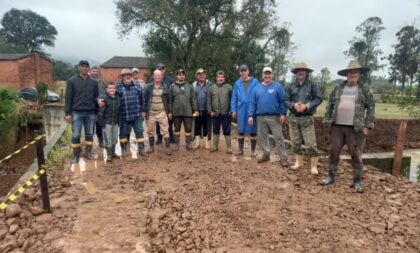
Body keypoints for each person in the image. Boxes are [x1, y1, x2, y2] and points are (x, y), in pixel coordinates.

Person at [321, 60, 375, 193]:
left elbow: (371, 107)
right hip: (337, 126)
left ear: (359, 74)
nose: (352, 74)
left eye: (355, 72)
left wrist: (367, 125)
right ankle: (331, 176)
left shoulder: (365, 89)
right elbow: (330, 105)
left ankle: (357, 181)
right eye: (350, 72)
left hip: (356, 129)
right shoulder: (338, 88)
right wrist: (327, 120)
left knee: (356, 155)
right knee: (334, 152)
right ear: (346, 74)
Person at [285, 62, 323, 174]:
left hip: (307, 118)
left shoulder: (312, 84)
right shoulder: (291, 85)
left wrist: (307, 106)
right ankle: (298, 162)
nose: (300, 72)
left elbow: (318, 98)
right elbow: (285, 100)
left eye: (302, 70)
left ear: (306, 72)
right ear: (296, 73)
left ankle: (314, 167)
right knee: (295, 142)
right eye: (298, 70)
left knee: (311, 144)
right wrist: (293, 105)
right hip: (293, 118)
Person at [102, 68, 148, 157]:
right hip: (124, 115)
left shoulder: (137, 86)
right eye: (125, 75)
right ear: (122, 77)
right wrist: (99, 99)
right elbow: (106, 94)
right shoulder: (117, 87)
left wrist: (143, 111)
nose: (128, 76)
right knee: (123, 133)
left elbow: (143, 100)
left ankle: (141, 150)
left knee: (139, 132)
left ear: (131, 76)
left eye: (129, 75)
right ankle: (124, 150)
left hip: (136, 114)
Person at [248, 67, 289, 166]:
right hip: (260, 117)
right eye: (265, 74)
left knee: (278, 137)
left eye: (269, 73)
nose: (267, 76)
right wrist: (250, 115)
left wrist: (283, 113)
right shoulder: (256, 88)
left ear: (272, 75)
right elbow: (252, 103)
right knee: (262, 138)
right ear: (262, 75)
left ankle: (283, 158)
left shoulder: (278, 87)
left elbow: (283, 101)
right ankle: (266, 155)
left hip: (274, 117)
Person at [65, 60, 99, 163]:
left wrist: (96, 113)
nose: (84, 68)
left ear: (88, 68)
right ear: (79, 67)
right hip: (77, 113)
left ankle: (88, 153)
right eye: (82, 66)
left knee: (89, 134)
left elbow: (96, 97)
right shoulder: (72, 81)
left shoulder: (93, 82)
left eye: (86, 66)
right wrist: (67, 113)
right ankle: (76, 155)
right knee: (76, 135)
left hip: (90, 112)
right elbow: (68, 97)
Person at [231, 64, 260, 156]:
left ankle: (253, 151)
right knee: (241, 129)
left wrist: (259, 109)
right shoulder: (237, 83)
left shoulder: (255, 82)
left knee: (253, 130)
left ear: (248, 71)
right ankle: (240, 149)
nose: (243, 72)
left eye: (245, 71)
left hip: (252, 110)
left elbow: (259, 95)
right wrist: (233, 110)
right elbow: (234, 97)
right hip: (241, 110)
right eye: (241, 71)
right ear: (240, 72)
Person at [168, 69, 199, 151]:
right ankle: (177, 144)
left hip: (187, 111)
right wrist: (170, 111)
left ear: (184, 76)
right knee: (177, 128)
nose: (181, 76)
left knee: (188, 128)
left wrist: (195, 110)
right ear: (177, 76)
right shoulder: (172, 86)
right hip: (176, 112)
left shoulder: (189, 86)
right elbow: (170, 100)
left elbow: (193, 99)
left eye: (183, 74)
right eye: (179, 74)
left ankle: (188, 144)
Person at [144, 69, 172, 155]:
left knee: (165, 130)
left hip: (162, 112)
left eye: (159, 75)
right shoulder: (148, 87)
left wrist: (169, 111)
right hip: (151, 112)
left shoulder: (165, 86)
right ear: (153, 76)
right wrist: (144, 111)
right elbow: (145, 100)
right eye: (156, 75)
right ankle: (151, 146)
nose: (157, 77)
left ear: (161, 77)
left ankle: (167, 147)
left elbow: (169, 100)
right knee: (151, 131)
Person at [149, 63, 175, 145]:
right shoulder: (150, 80)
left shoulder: (169, 79)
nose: (161, 70)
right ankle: (159, 138)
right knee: (157, 123)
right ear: (156, 70)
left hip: (167, 104)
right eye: (160, 69)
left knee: (169, 122)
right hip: (156, 106)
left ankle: (171, 137)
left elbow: (172, 91)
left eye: (163, 68)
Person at [207, 70, 233, 153]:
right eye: (219, 77)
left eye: (222, 77)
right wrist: (210, 111)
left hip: (226, 112)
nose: (220, 78)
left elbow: (233, 99)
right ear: (216, 78)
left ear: (224, 78)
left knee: (227, 130)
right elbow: (208, 101)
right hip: (215, 113)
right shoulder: (211, 88)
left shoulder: (229, 87)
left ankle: (229, 147)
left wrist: (231, 110)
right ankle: (215, 146)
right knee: (215, 129)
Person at [97, 82, 121, 162]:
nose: (112, 89)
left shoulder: (118, 98)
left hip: (115, 122)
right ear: (106, 89)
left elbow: (119, 111)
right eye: (110, 88)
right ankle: (109, 155)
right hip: (107, 122)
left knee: (114, 139)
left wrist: (119, 122)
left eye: (113, 88)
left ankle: (113, 153)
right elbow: (100, 112)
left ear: (115, 89)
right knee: (108, 139)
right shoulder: (104, 98)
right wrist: (102, 124)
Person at [192, 68, 213, 149]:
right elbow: (192, 98)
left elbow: (212, 96)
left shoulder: (210, 84)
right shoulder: (193, 85)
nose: (201, 76)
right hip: (197, 110)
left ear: (205, 75)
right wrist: (194, 109)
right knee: (197, 126)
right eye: (199, 74)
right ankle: (197, 143)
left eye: (203, 74)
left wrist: (211, 109)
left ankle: (206, 143)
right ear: (197, 76)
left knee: (206, 126)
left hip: (207, 110)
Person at [90, 66, 107, 147]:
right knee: (91, 126)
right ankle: (90, 143)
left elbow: (106, 92)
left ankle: (101, 141)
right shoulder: (88, 81)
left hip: (101, 107)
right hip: (91, 107)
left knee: (100, 125)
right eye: (93, 71)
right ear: (90, 72)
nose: (95, 73)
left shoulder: (103, 82)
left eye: (96, 71)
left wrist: (103, 100)